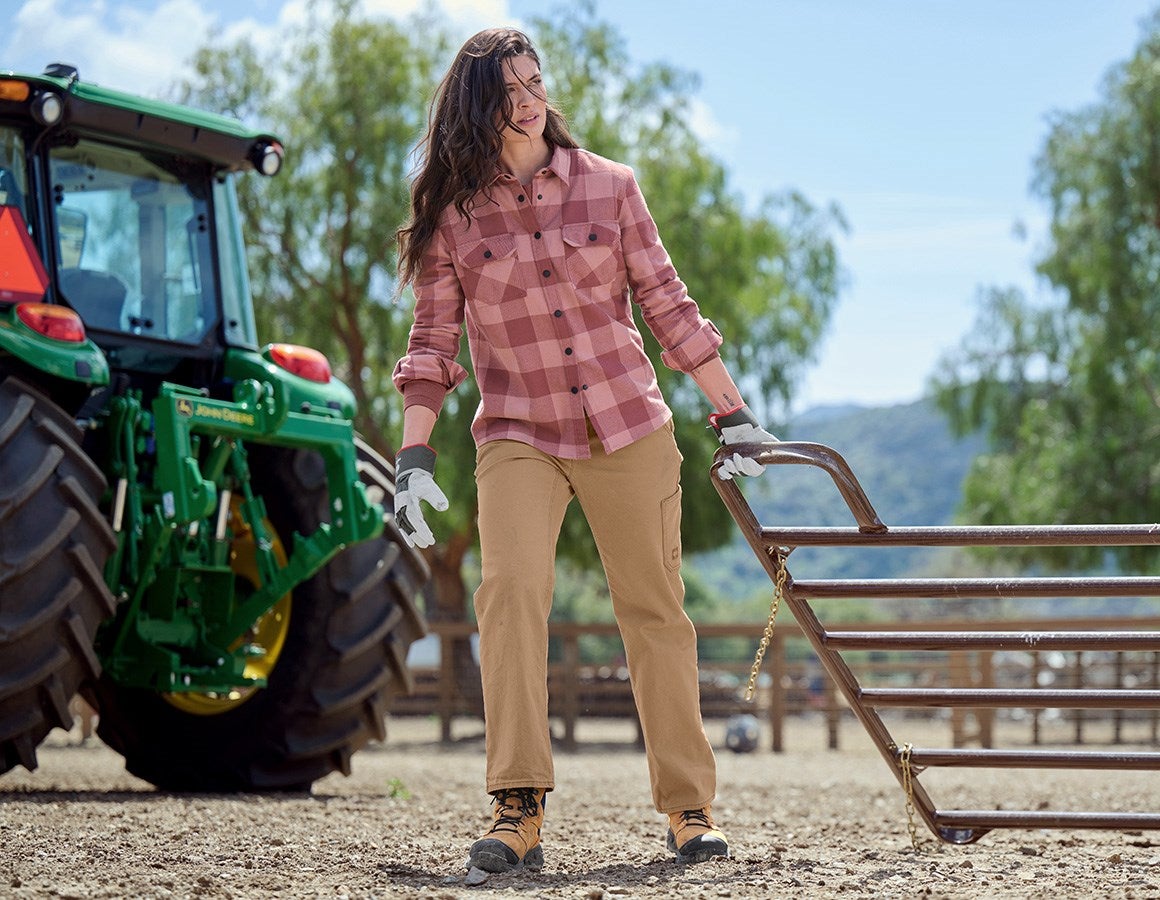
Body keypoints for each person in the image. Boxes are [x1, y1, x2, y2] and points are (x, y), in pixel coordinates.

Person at [391, 26, 776, 874]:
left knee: (655, 613)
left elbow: (669, 306)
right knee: (511, 594)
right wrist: (414, 457)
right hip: (519, 429)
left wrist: (733, 413)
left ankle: (689, 808)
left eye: (535, 84)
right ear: (476, 107)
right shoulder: (451, 214)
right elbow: (432, 342)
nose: (529, 102)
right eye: (508, 92)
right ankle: (516, 808)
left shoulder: (611, 186)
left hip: (627, 424)